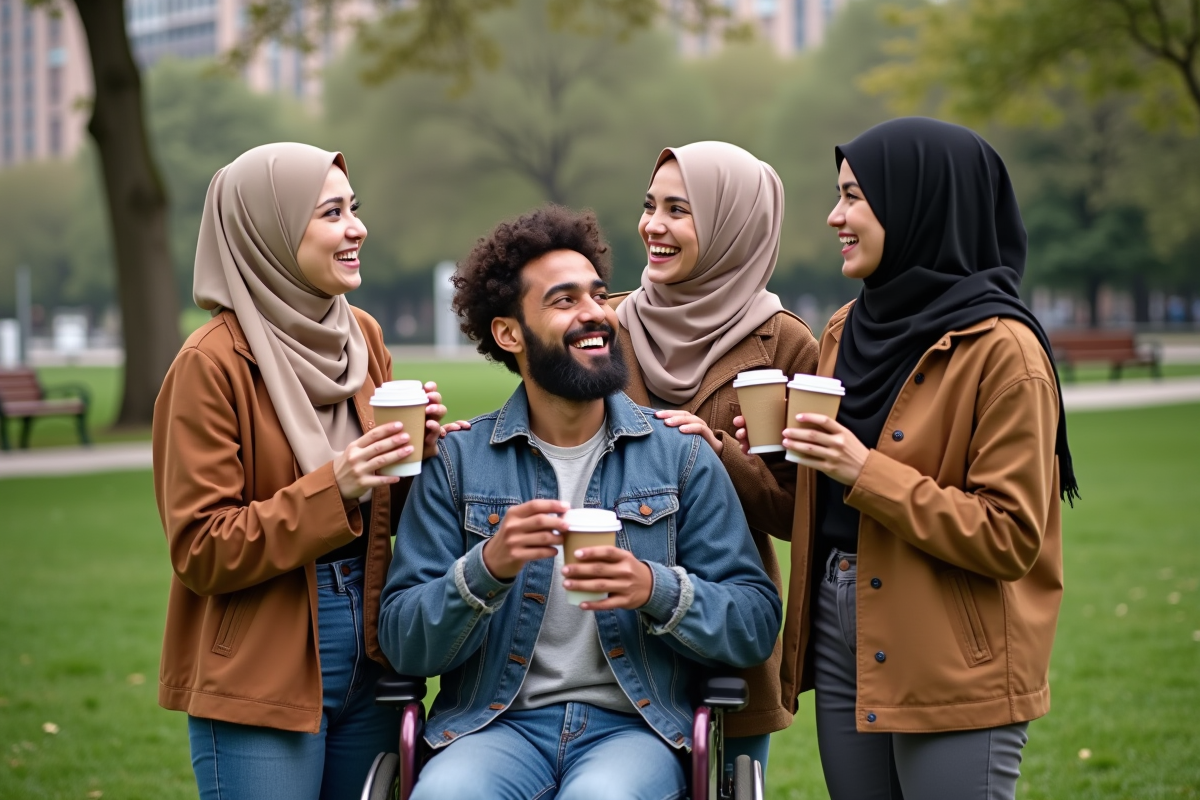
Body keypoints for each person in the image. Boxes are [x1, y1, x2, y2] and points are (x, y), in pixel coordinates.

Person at [378, 205, 781, 800]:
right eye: (564, 301)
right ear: (509, 333)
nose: (595, 313)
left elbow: (754, 621)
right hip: (495, 725)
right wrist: (484, 570)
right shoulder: (458, 462)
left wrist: (655, 588)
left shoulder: (681, 456)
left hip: (636, 728)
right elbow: (402, 638)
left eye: (596, 295)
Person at [760, 117, 1078, 800]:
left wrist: (861, 468)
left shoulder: (1004, 351)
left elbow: (1010, 535)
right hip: (841, 623)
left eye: (853, 197)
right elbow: (816, 503)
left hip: (953, 647)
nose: (834, 215)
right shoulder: (846, 328)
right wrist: (731, 456)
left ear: (917, 203)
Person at [152, 143, 448, 800]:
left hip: (373, 648)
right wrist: (335, 483)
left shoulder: (360, 337)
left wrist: (416, 461)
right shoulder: (212, 364)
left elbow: (382, 511)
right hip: (260, 660)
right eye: (332, 213)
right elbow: (201, 549)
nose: (357, 228)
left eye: (354, 209)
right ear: (272, 233)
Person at [612, 141, 820, 773]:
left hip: (724, 629)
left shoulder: (785, 344)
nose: (654, 225)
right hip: (606, 628)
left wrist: (722, 457)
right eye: (651, 206)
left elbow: (798, 514)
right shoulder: (605, 328)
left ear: (735, 226)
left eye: (680, 210)